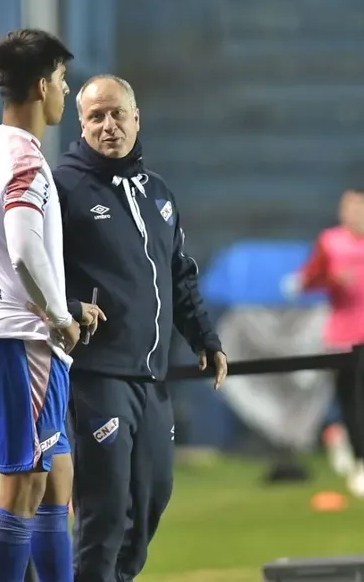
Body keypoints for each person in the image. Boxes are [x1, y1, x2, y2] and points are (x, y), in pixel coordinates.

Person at [54, 74, 228, 582]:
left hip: (153, 378)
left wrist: (205, 338)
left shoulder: (158, 193)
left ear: (136, 118)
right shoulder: (62, 188)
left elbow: (180, 272)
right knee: (103, 517)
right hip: (97, 375)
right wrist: (66, 308)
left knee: (152, 499)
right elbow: (28, 264)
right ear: (81, 125)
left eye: (117, 114)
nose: (108, 126)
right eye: (95, 116)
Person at [0, 28, 80, 582]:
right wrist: (58, 315)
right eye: (61, 79)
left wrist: (12, 293)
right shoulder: (26, 160)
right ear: (39, 86)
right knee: (24, 482)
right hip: (21, 340)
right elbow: (26, 246)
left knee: (58, 479)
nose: (67, 91)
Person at [288, 189, 364, 497]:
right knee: (352, 402)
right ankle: (359, 461)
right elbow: (307, 280)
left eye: (361, 209)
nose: (355, 215)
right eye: (349, 210)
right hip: (343, 336)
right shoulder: (331, 242)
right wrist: (332, 280)